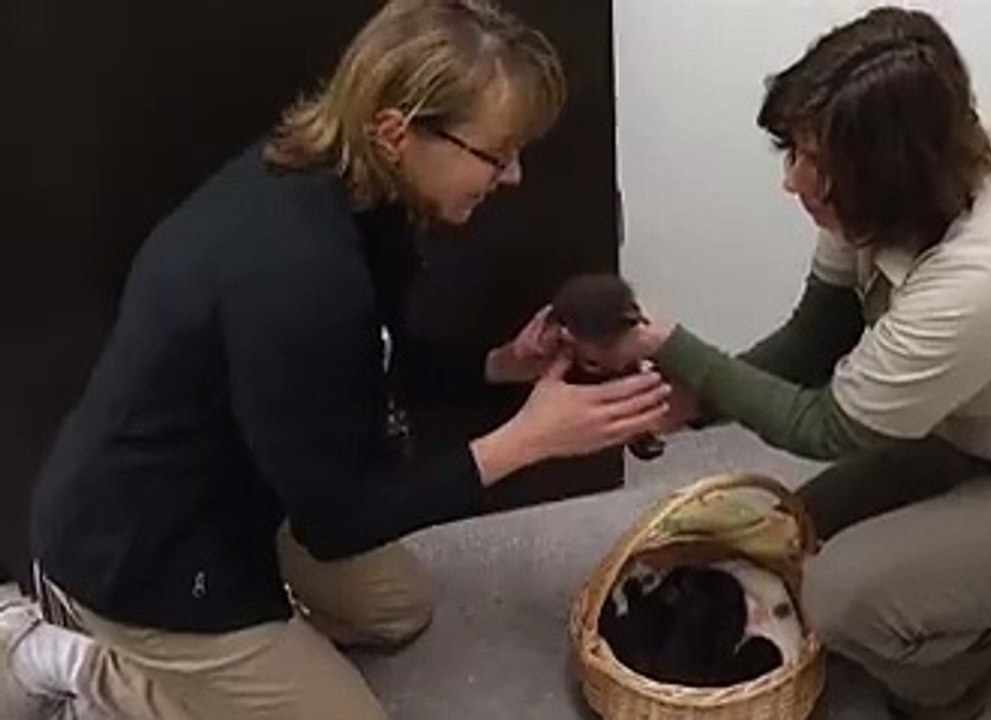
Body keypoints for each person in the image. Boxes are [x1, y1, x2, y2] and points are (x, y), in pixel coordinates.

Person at [4, 1, 670, 718]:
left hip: (253, 478)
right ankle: (69, 658)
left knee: (398, 609)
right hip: (142, 553)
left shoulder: (359, 197)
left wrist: (498, 366)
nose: (512, 176)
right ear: (396, 131)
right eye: (496, 153)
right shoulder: (296, 273)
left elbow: (369, 360)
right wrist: (525, 442)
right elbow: (338, 520)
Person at [608, 8, 991, 719]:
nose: (793, 182)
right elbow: (814, 338)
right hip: (961, 439)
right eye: (795, 153)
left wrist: (672, 344)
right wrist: (686, 401)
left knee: (837, 596)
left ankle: (990, 654)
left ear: (886, 169)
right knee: (792, 532)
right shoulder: (887, 192)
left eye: (814, 164)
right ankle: (973, 572)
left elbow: (828, 427)